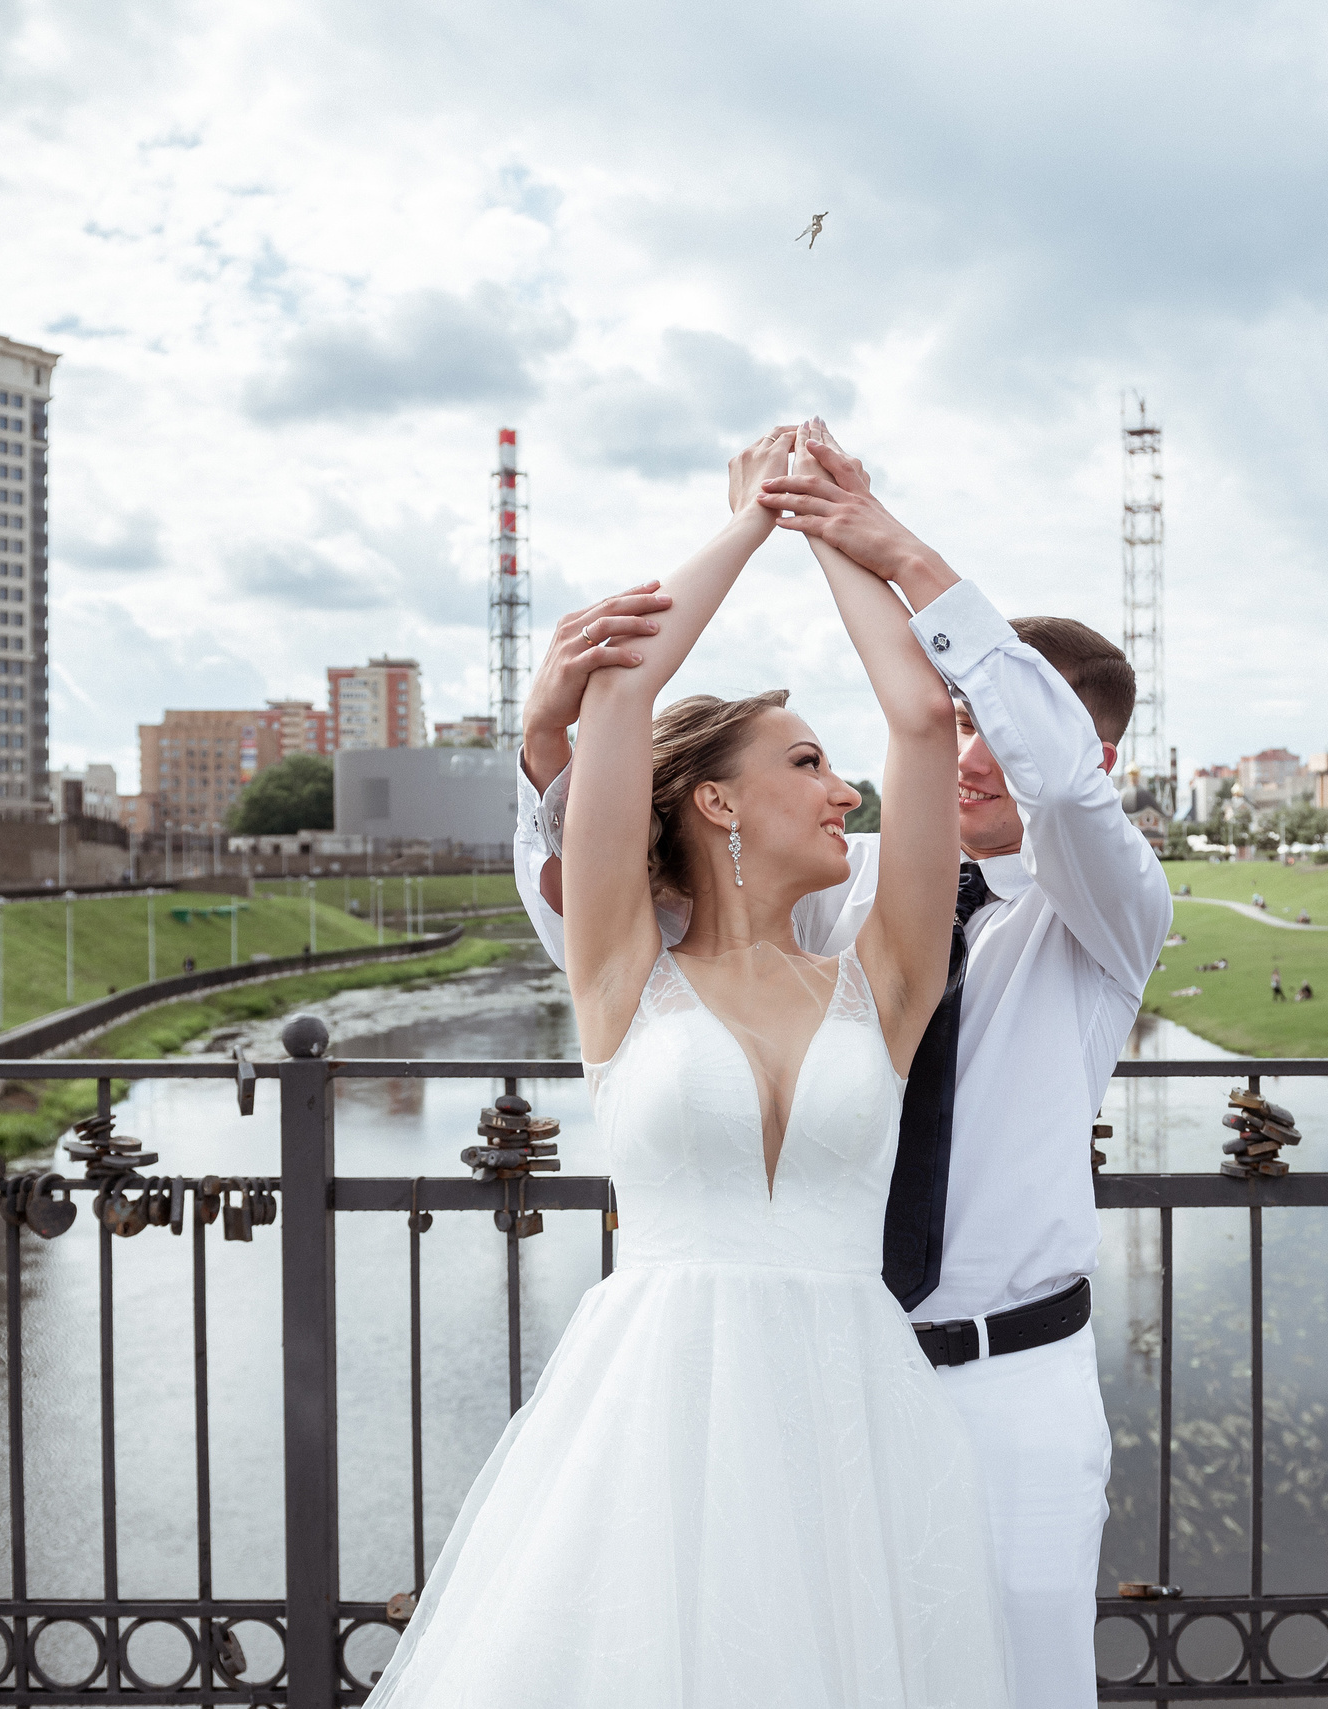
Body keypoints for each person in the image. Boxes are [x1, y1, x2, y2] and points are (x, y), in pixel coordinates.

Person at [507, 422, 1170, 1709]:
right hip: (772, 1378)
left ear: (1082, 753)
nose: (971, 748)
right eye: (967, 711)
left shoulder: (1098, 900)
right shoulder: (831, 886)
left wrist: (883, 546)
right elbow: (591, 895)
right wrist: (760, 525)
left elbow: (952, 736)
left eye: (1011, 727)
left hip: (1005, 1374)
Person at [376, 426, 1012, 1706]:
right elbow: (620, 698)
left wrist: (834, 527)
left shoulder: (888, 977)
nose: (845, 790)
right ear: (714, 802)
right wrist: (746, 525)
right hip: (656, 1416)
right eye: (806, 762)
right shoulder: (621, 970)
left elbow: (921, 721)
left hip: (853, 1416)